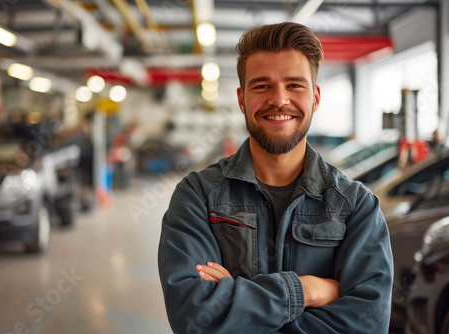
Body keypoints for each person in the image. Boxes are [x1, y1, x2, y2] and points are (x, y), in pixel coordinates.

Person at [158, 22, 393, 333]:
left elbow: (368, 324)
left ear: (315, 98)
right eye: (262, 86)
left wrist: (237, 303)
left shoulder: (357, 207)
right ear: (242, 99)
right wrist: (306, 291)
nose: (279, 100)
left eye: (295, 85)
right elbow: (194, 318)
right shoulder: (197, 197)